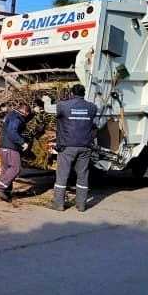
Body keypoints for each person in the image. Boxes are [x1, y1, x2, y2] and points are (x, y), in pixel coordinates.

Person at [53, 84, 98, 212]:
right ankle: (81, 205)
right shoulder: (92, 107)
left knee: (62, 175)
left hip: (67, 147)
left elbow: (56, 111)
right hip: (85, 146)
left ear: (72, 93)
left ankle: (59, 204)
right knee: (83, 176)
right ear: (84, 93)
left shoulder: (62, 106)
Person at [0, 103, 32, 203]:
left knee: (6, 169)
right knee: (15, 168)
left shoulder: (11, 115)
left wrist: (34, 113)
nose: (27, 116)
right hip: (11, 147)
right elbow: (12, 132)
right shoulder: (16, 118)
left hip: (4, 146)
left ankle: (6, 192)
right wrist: (22, 142)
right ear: (25, 111)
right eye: (27, 113)